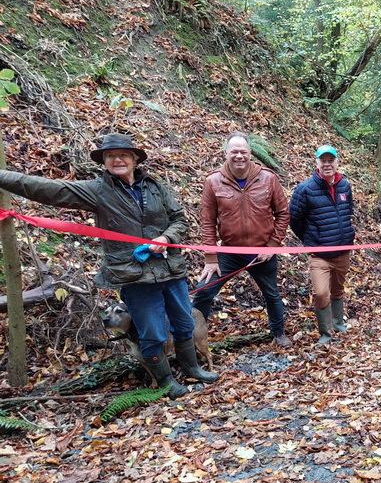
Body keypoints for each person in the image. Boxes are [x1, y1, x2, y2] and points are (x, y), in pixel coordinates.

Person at [0, 133, 218, 399]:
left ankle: (193, 368)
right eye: (110, 155)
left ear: (135, 159)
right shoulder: (98, 191)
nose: (118, 159)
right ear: (104, 161)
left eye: (124, 154)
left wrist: (166, 238)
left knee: (184, 324)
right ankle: (166, 382)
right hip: (134, 278)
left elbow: (179, 219)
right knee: (153, 334)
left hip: (171, 271)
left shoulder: (155, 187)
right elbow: (46, 188)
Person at [192, 132, 292, 348]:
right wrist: (210, 257)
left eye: (243, 151)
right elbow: (207, 221)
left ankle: (279, 333)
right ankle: (193, 341)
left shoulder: (268, 178)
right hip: (229, 252)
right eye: (234, 151)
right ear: (226, 153)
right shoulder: (213, 181)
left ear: (250, 153)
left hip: (262, 253)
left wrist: (272, 246)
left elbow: (283, 213)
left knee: (272, 295)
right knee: (203, 292)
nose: (239, 156)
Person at [289, 145, 355, 345]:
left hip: (343, 250)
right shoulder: (305, 189)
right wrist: (311, 240)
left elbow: (348, 211)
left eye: (330, 160)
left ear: (337, 162)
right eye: (323, 160)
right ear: (316, 163)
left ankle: (338, 323)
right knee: (320, 292)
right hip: (319, 254)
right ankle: (325, 333)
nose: (327, 164)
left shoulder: (345, 186)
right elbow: (295, 219)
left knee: (338, 289)